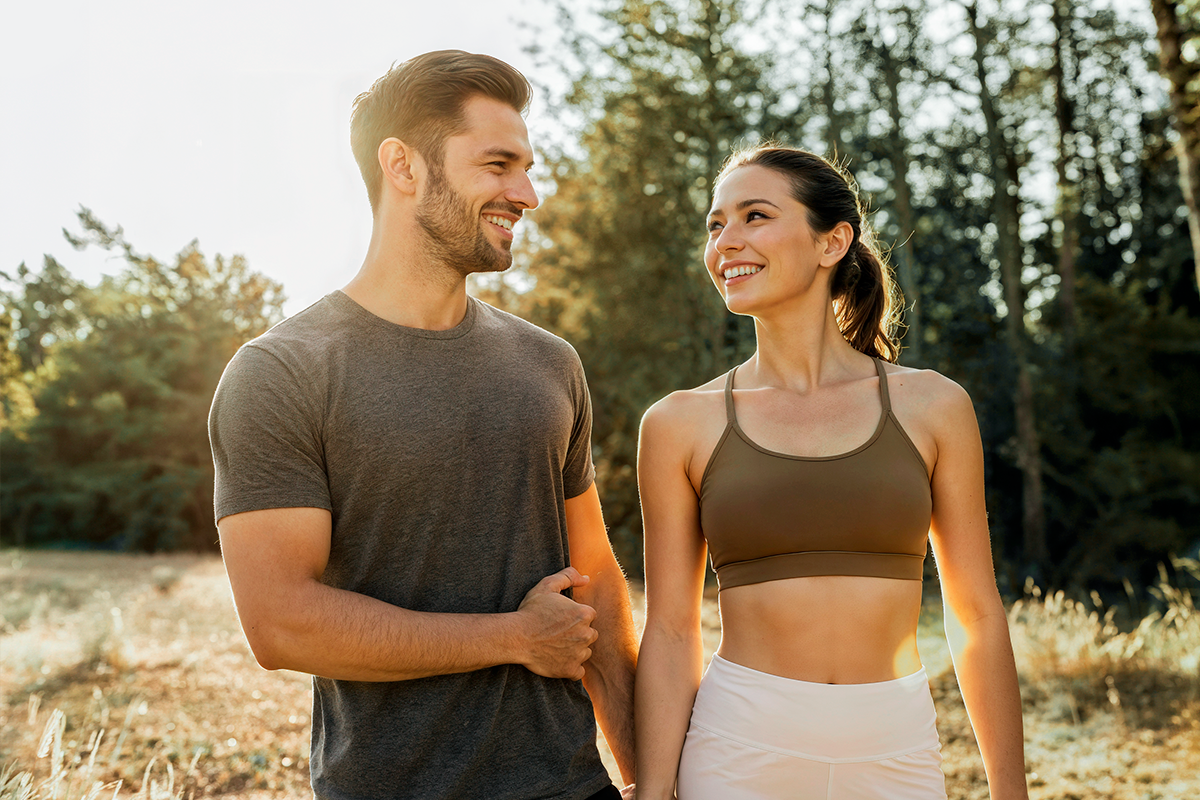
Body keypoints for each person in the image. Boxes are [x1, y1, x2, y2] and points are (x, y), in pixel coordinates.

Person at [208, 50, 637, 800]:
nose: (527, 194)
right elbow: (281, 623)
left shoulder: (549, 364)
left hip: (571, 788)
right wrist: (512, 639)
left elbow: (595, 584)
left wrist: (650, 780)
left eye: (527, 167)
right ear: (402, 165)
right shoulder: (282, 370)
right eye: (498, 165)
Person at [633, 145, 1029, 800]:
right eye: (715, 224)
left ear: (832, 242)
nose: (726, 241)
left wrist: (1010, 793)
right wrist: (652, 790)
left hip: (896, 749)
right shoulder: (679, 423)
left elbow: (977, 615)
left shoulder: (933, 406)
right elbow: (672, 631)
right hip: (739, 749)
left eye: (754, 216)